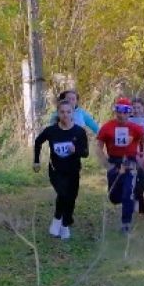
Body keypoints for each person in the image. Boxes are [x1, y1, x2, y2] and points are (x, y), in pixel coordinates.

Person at [33, 99, 90, 240]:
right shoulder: (52, 130)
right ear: (58, 113)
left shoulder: (79, 131)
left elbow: (85, 153)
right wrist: (36, 161)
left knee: (71, 198)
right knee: (63, 194)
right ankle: (58, 219)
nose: (65, 115)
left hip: (73, 170)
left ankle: (64, 225)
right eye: (62, 112)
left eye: (68, 112)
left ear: (73, 114)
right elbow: (37, 142)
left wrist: (75, 150)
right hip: (56, 170)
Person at [97, 97, 144, 234]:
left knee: (128, 193)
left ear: (129, 112)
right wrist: (106, 163)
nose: (122, 114)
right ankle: (129, 202)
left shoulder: (135, 128)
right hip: (114, 162)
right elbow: (98, 147)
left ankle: (126, 223)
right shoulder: (107, 127)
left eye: (125, 112)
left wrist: (143, 155)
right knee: (113, 197)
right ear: (115, 111)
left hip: (130, 162)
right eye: (119, 111)